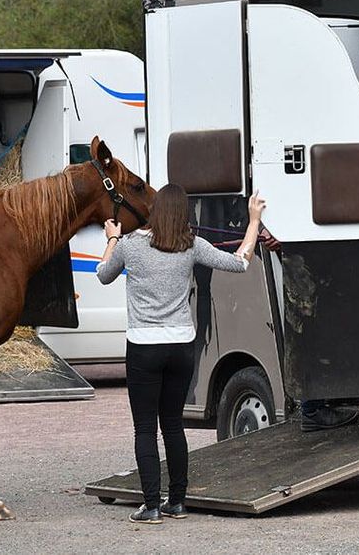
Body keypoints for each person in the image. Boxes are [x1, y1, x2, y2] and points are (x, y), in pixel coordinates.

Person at [97, 184, 266, 524]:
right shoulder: (192, 246)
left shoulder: (131, 246)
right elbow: (240, 263)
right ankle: (177, 502)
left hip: (144, 346)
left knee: (144, 429)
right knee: (173, 425)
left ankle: (151, 506)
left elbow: (102, 275)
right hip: (181, 346)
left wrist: (112, 237)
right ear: (183, 213)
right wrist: (253, 221)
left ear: (154, 210)